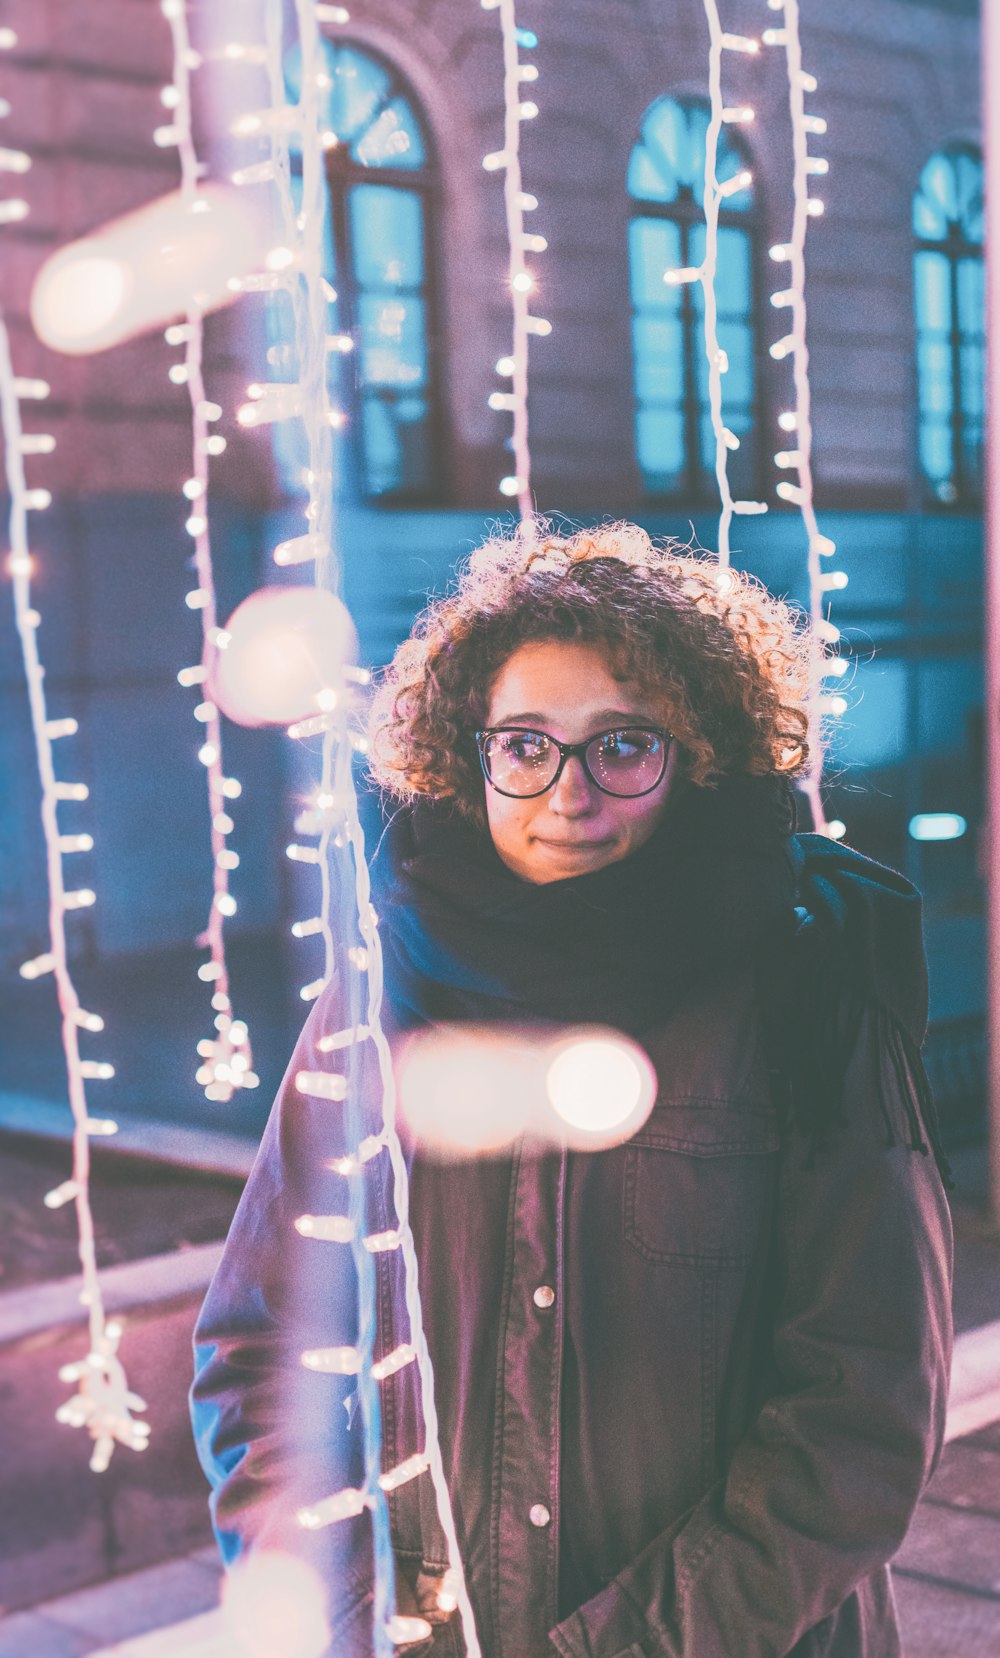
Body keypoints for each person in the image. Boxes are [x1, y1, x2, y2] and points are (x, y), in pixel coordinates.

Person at [191, 521, 954, 1658]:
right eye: (526, 745)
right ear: (469, 754)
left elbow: (862, 1412)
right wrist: (361, 1622)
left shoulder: (805, 987)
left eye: (623, 747)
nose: (568, 794)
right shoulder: (379, 994)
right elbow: (263, 1353)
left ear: (694, 756)